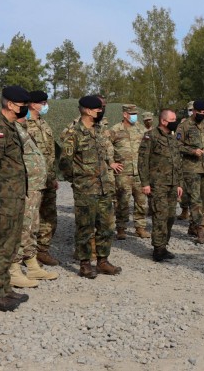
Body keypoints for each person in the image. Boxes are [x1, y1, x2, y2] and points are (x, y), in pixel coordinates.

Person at [59, 96, 122, 279]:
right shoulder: (74, 134)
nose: (100, 111)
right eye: (96, 109)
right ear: (87, 110)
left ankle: (103, 261)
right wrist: (77, 180)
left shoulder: (98, 131)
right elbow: (64, 163)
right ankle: (85, 264)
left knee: (106, 226)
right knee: (85, 228)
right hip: (85, 189)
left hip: (103, 187)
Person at [0, 85, 31, 312]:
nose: (25, 109)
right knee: (1, 245)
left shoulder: (10, 127)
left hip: (15, 195)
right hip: (4, 196)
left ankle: (5, 288)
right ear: (10, 104)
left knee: (11, 245)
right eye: (23, 106)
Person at [9, 114, 59, 288]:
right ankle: (14, 269)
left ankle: (31, 264)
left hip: (36, 185)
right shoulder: (8, 129)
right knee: (22, 226)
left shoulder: (23, 129)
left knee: (33, 225)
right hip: (24, 185)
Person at [138, 109, 183, 261]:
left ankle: (164, 245)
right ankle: (158, 249)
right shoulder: (150, 136)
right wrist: (145, 183)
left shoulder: (172, 138)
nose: (175, 122)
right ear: (164, 121)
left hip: (171, 184)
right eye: (173, 119)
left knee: (171, 216)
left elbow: (177, 162)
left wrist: (178, 183)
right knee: (160, 216)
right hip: (157, 184)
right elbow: (143, 162)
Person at [26, 90, 60, 266]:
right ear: (32, 104)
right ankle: (27, 255)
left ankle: (43, 250)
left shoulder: (44, 124)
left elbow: (51, 154)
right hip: (31, 181)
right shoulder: (23, 124)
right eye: (43, 102)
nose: (46, 105)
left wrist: (53, 178)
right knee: (31, 219)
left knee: (49, 217)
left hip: (47, 180)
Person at [176, 99, 204, 244]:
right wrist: (192, 151)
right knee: (195, 199)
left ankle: (192, 226)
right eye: (199, 112)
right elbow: (177, 145)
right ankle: (200, 229)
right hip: (191, 167)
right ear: (194, 111)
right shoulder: (184, 126)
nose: (202, 115)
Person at [109, 104, 151, 239]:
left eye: (136, 113)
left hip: (139, 173)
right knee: (123, 201)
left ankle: (140, 227)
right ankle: (121, 228)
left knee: (141, 201)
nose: (135, 116)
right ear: (125, 114)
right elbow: (106, 148)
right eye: (132, 114)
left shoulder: (141, 129)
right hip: (123, 173)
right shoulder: (115, 130)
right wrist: (111, 163)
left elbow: (148, 148)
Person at [176, 101, 196, 221]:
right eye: (189, 109)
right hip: (184, 161)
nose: (191, 112)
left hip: (198, 162)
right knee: (183, 187)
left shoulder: (202, 124)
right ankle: (184, 210)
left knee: (196, 191)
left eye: (192, 109)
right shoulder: (182, 125)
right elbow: (177, 143)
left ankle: (197, 216)